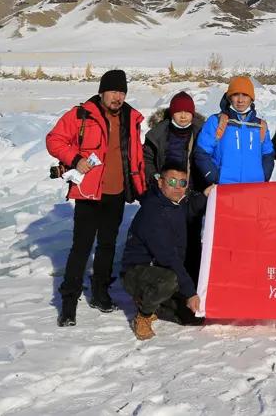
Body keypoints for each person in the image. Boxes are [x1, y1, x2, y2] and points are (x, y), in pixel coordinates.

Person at [46, 69, 146, 326]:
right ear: (102, 91)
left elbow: (135, 156)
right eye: (113, 91)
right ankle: (68, 302)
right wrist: (75, 159)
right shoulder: (82, 114)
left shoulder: (130, 118)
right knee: (81, 247)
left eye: (122, 92)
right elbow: (54, 140)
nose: (118, 97)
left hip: (117, 192)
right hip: (89, 193)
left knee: (107, 246)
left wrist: (140, 184)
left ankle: (101, 293)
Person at [122, 162, 212, 341]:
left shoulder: (177, 202)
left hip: (164, 270)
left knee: (192, 318)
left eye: (182, 183)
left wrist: (207, 194)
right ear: (160, 182)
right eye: (172, 182)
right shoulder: (153, 212)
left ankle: (156, 305)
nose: (177, 188)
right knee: (170, 280)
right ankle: (144, 314)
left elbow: (191, 206)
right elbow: (168, 258)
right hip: (138, 273)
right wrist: (190, 293)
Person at [143, 91, 206, 282]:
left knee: (192, 236)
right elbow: (147, 159)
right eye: (180, 112)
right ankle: (167, 278)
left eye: (188, 112)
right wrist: (155, 177)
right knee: (167, 237)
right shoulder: (158, 134)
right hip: (166, 193)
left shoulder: (202, 132)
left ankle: (193, 277)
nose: (184, 115)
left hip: (191, 192)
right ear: (172, 113)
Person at [195, 76, 274, 185]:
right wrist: (214, 177)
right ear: (229, 97)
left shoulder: (260, 126)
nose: (240, 100)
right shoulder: (216, 121)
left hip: (255, 188)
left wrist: (263, 176)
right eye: (236, 94)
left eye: (245, 95)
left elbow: (268, 154)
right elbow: (202, 153)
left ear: (251, 98)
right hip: (225, 188)